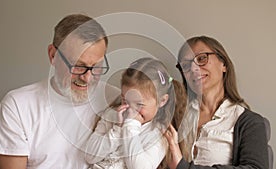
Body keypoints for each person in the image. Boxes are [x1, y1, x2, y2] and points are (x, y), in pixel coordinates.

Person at [0, 14, 120, 169]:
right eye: (78, 66)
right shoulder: (18, 105)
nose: (87, 78)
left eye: (97, 66)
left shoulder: (117, 101)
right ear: (53, 55)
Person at [164, 35, 269, 169]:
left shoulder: (249, 122)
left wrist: (183, 167)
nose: (194, 68)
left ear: (223, 64)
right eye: (186, 65)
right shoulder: (174, 117)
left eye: (202, 58)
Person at [84, 57, 186, 169]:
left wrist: (130, 126)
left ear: (162, 101)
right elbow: (90, 156)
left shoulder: (159, 134)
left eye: (139, 105)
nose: (130, 111)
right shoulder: (111, 115)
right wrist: (117, 130)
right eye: (125, 100)